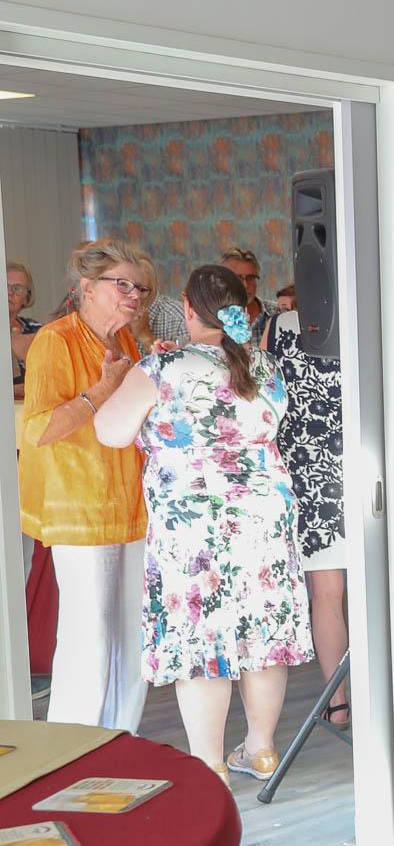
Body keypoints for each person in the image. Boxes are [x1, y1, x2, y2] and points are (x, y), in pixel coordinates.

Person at [95, 265, 312, 781]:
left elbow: (110, 432)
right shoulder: (264, 364)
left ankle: (210, 765)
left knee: (201, 635)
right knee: (262, 631)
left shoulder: (160, 368)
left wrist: (116, 383)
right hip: (262, 517)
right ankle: (261, 750)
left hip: (192, 524)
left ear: (188, 308)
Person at [18, 239, 153, 731]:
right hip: (79, 506)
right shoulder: (55, 339)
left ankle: (122, 741)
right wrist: (101, 390)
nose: (135, 296)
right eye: (123, 285)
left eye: (141, 288)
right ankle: (75, 749)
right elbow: (40, 428)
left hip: (130, 503)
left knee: (133, 637)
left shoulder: (127, 342)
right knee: (89, 637)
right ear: (88, 287)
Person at [263, 303, 349, 726]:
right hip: (368, 461)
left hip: (310, 473)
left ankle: (339, 704)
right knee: (385, 589)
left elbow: (264, 398)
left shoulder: (280, 326)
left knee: (326, 597)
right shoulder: (366, 311)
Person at [9, 260, 41, 401]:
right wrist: (14, 390)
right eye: (4, 285)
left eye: (17, 288)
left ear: (27, 298)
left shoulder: (37, 330)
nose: (9, 292)